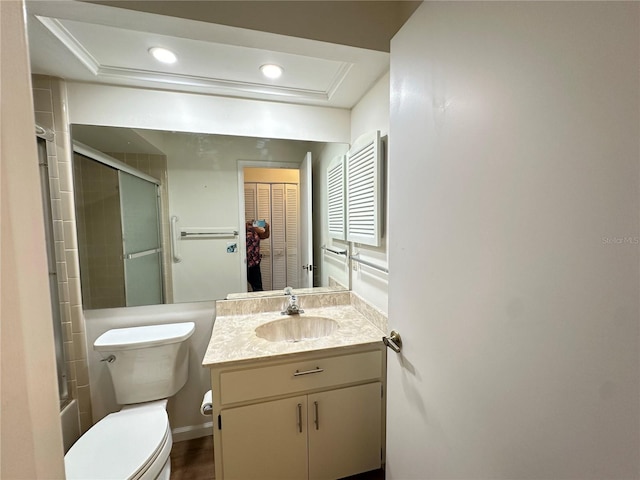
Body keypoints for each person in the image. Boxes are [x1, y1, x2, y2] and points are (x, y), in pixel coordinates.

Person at [246, 220, 270, 291]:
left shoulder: (255, 230)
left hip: (254, 263)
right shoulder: (241, 229)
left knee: (258, 288)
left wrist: (267, 227)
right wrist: (246, 225)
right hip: (243, 263)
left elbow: (265, 235)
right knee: (241, 287)